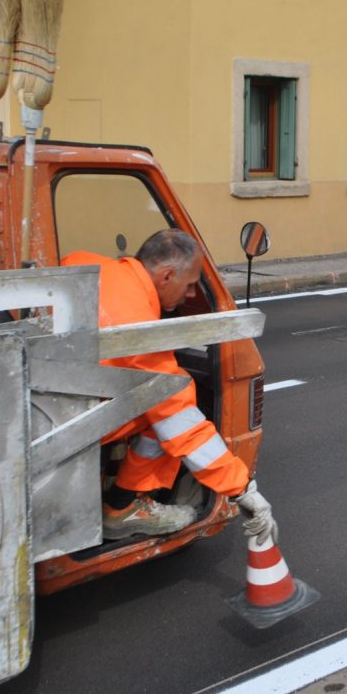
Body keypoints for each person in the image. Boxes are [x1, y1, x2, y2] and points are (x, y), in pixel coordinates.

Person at [62, 229, 277, 543]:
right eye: (189, 285)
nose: (191, 295)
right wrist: (243, 490)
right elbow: (182, 425)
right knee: (168, 407)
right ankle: (123, 506)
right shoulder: (139, 332)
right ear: (166, 275)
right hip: (71, 421)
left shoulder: (83, 261)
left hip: (55, 397)